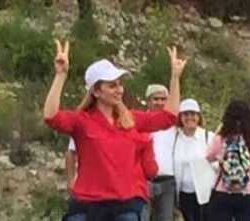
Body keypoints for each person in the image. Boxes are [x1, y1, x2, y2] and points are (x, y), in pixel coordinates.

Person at [45, 43, 189, 221]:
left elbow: (169, 116)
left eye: (120, 85)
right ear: (96, 91)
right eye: (112, 85)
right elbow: (51, 116)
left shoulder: (131, 119)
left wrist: (175, 78)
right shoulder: (82, 121)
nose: (119, 90)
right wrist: (60, 75)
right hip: (88, 205)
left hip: (125, 206)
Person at [205, 100, 250, 221]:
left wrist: (219, 130)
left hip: (222, 192)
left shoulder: (220, 139)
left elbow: (208, 156)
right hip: (248, 192)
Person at [172, 99, 212, 221]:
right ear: (180, 117)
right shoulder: (175, 137)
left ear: (199, 117)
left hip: (206, 194)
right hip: (184, 194)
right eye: (186, 114)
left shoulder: (208, 137)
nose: (189, 118)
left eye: (193, 114)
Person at [146, 84, 177, 221]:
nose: (160, 102)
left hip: (167, 181)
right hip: (144, 180)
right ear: (148, 100)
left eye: (163, 99)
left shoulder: (173, 124)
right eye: (155, 99)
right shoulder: (139, 121)